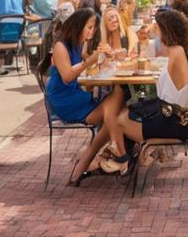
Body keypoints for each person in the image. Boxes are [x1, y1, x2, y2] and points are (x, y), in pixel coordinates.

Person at [102, 10, 188, 175]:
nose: (155, 31)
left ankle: (122, 159)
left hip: (176, 122)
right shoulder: (184, 48)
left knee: (119, 117)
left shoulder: (176, 51)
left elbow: (154, 62)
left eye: (158, 28)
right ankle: (122, 157)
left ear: (167, 30)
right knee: (126, 101)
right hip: (178, 116)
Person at [38, 9, 125, 184]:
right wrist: (91, 61)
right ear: (79, 26)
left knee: (117, 108)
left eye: (93, 28)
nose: (92, 31)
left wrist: (100, 61)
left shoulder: (76, 45)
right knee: (118, 104)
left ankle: (97, 159)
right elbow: (68, 76)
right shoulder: (60, 47)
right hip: (64, 101)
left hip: (76, 95)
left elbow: (81, 73)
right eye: (90, 27)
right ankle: (114, 154)